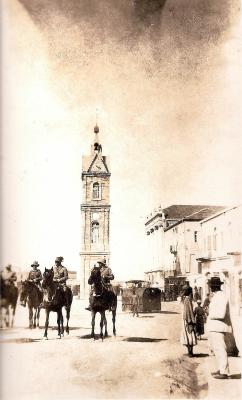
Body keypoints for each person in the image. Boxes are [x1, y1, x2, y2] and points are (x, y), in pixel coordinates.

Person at [207, 276, 232, 379]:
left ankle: (224, 371)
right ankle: (221, 368)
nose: (210, 288)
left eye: (211, 286)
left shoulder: (221, 296)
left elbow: (221, 314)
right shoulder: (217, 296)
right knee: (217, 349)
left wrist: (210, 314)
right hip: (215, 327)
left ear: (214, 287)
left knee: (221, 349)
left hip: (219, 327)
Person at [180, 286, 197, 357]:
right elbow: (189, 311)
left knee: (188, 335)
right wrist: (191, 321)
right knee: (190, 334)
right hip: (188, 320)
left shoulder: (185, 299)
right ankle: (190, 352)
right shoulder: (188, 300)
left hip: (185, 319)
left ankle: (190, 352)